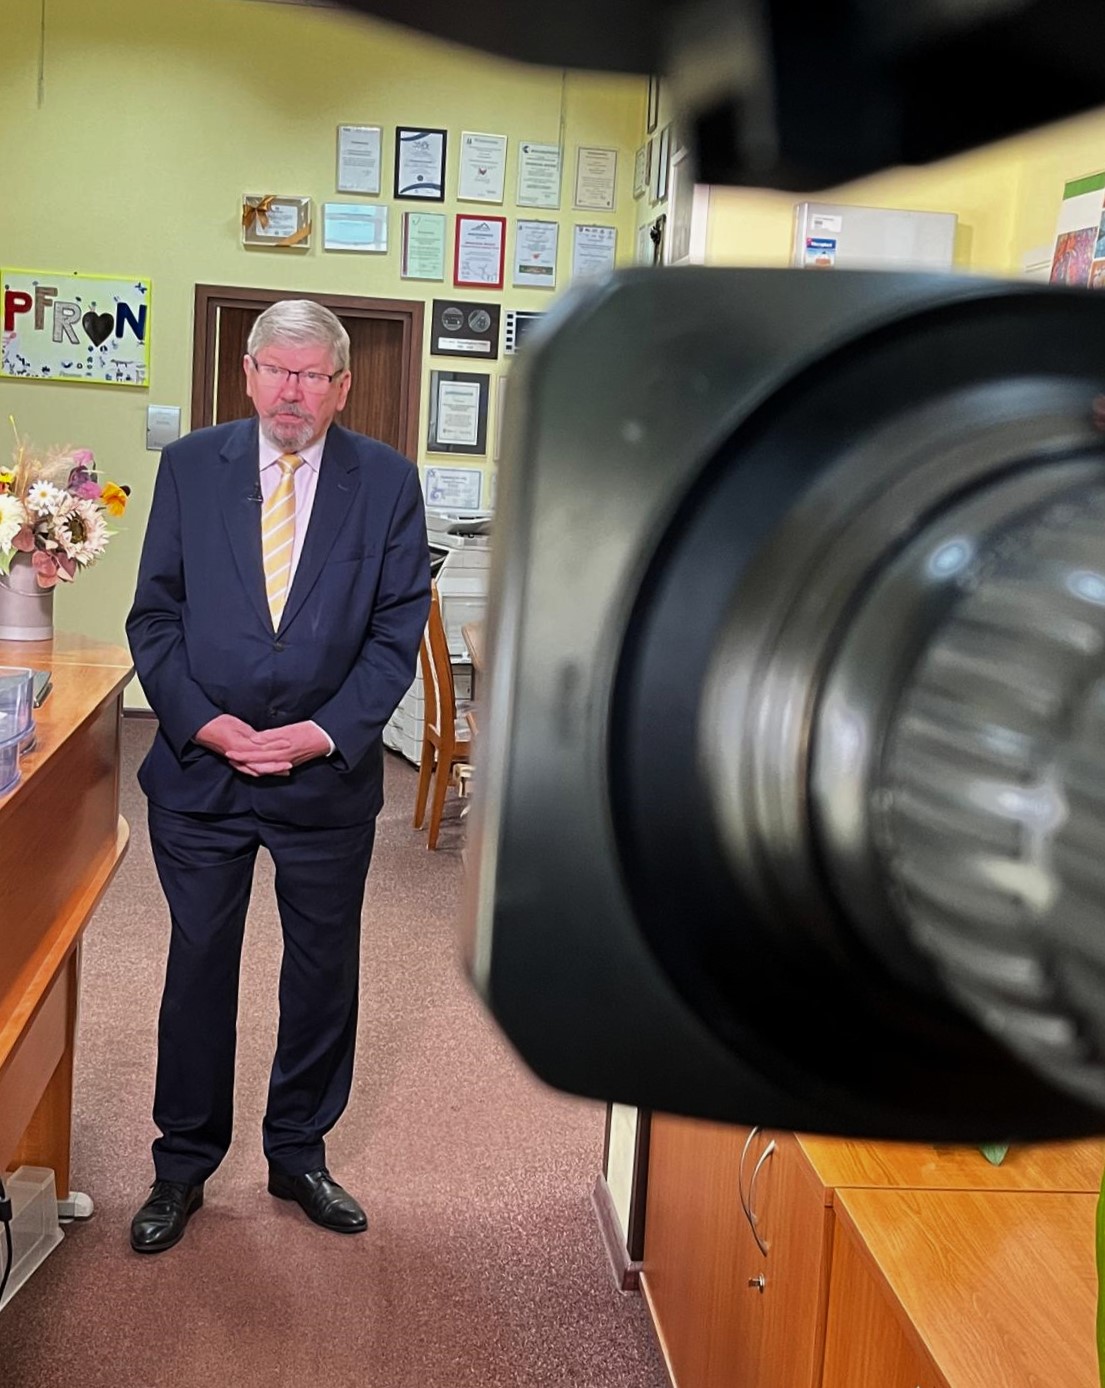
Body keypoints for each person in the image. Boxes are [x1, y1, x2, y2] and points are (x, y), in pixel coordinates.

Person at [126, 299, 430, 1252]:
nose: (292, 391)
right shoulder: (190, 467)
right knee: (198, 968)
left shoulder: (386, 481)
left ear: (342, 387)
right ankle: (182, 1164)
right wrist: (203, 723)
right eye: (277, 371)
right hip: (202, 776)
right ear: (249, 374)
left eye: (312, 375)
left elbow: (396, 630)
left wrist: (323, 733)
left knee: (321, 974)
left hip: (322, 782)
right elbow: (154, 617)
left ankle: (298, 1152)